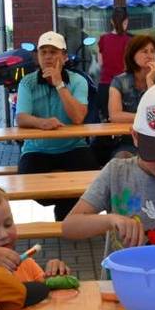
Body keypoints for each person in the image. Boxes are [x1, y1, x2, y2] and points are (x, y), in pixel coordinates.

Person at [63, 81, 155, 248]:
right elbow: (69, 226)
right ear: (135, 137)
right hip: (123, 273)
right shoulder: (116, 172)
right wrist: (111, 220)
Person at [15, 31, 97, 219]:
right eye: (43, 52)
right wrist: (41, 122)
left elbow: (78, 117)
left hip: (73, 146)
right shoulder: (27, 83)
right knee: (30, 186)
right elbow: (21, 118)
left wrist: (60, 84)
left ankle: (66, 213)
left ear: (65, 57)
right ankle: (65, 205)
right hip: (36, 149)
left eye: (54, 52)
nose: (48, 57)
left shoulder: (78, 81)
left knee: (91, 179)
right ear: (37, 57)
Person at [96, 7, 132, 119]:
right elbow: (130, 65)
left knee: (107, 121)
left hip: (105, 85)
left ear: (111, 21)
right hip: (124, 85)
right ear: (126, 21)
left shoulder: (103, 39)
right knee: (123, 121)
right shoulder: (129, 41)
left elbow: (100, 64)